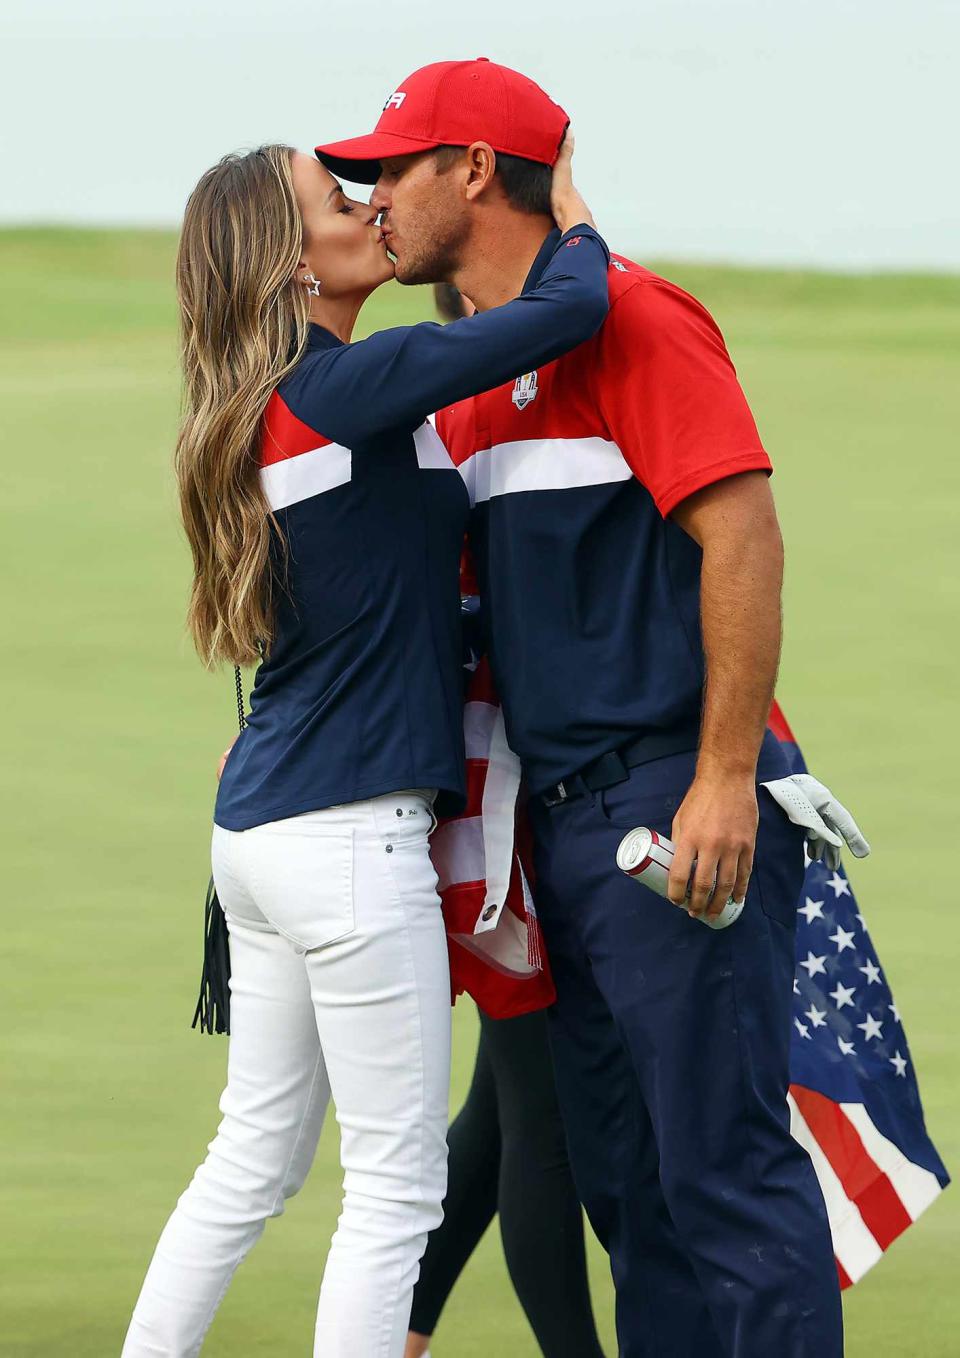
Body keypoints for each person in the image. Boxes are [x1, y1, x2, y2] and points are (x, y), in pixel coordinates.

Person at [316, 56, 844, 1357]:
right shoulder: (474, 369)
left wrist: (724, 775)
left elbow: (746, 538)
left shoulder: (641, 321)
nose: (372, 194)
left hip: (672, 807)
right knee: (636, 1200)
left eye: (395, 166)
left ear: (477, 170)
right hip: (560, 840)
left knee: (721, 1183)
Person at [121, 136, 610, 1358]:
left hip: (261, 837)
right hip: (346, 839)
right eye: (337, 199)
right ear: (292, 262)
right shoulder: (340, 383)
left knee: (251, 1160)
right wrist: (568, 210)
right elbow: (570, 307)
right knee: (395, 1188)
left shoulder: (270, 399)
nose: (368, 207)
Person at [401, 285, 606, 1358]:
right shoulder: (463, 403)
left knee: (498, 1112)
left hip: (511, 793)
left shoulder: (457, 399)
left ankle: (399, 1328)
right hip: (499, 810)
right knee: (545, 1118)